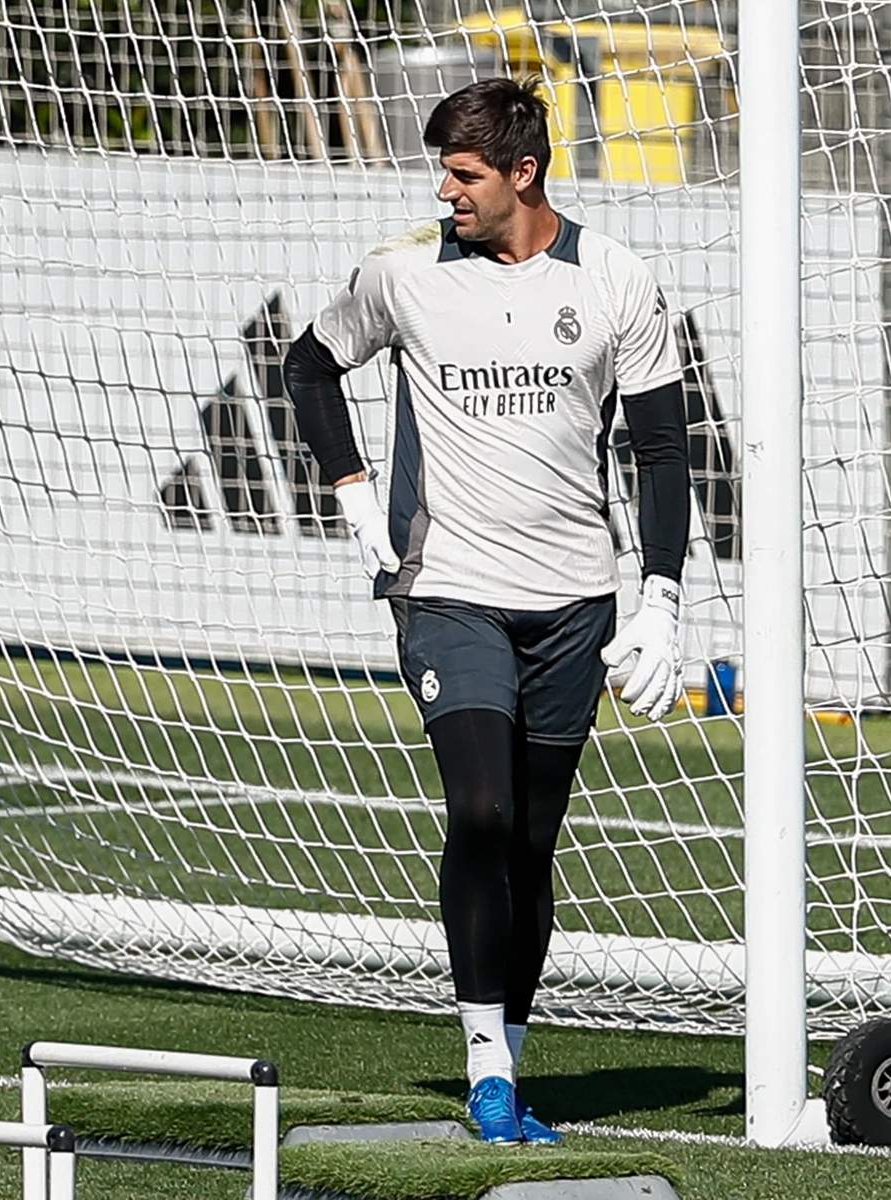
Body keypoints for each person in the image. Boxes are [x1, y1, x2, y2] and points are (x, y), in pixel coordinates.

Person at [283, 77, 690, 1145]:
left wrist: (659, 596)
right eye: (442, 173)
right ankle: (483, 1073)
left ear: (523, 172)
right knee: (481, 813)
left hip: (573, 601)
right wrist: (350, 488)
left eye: (463, 175)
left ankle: (509, 1057)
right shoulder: (401, 272)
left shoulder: (615, 281)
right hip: (446, 588)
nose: (445, 192)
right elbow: (309, 364)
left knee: (533, 840)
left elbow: (658, 447)